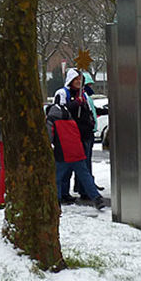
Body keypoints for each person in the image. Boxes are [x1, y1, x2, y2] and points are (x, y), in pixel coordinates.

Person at [46, 101, 104, 210]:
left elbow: (49, 137)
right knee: (85, 176)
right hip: (78, 151)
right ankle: (97, 198)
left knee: (57, 178)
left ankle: (56, 202)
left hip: (62, 153)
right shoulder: (70, 119)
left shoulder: (51, 120)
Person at [53, 69, 97, 200]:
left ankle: (85, 190)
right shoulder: (62, 93)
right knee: (66, 167)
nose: (78, 82)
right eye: (76, 79)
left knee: (84, 166)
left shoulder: (83, 94)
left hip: (85, 134)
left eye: (80, 79)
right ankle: (63, 193)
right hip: (70, 136)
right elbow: (59, 111)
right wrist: (74, 104)